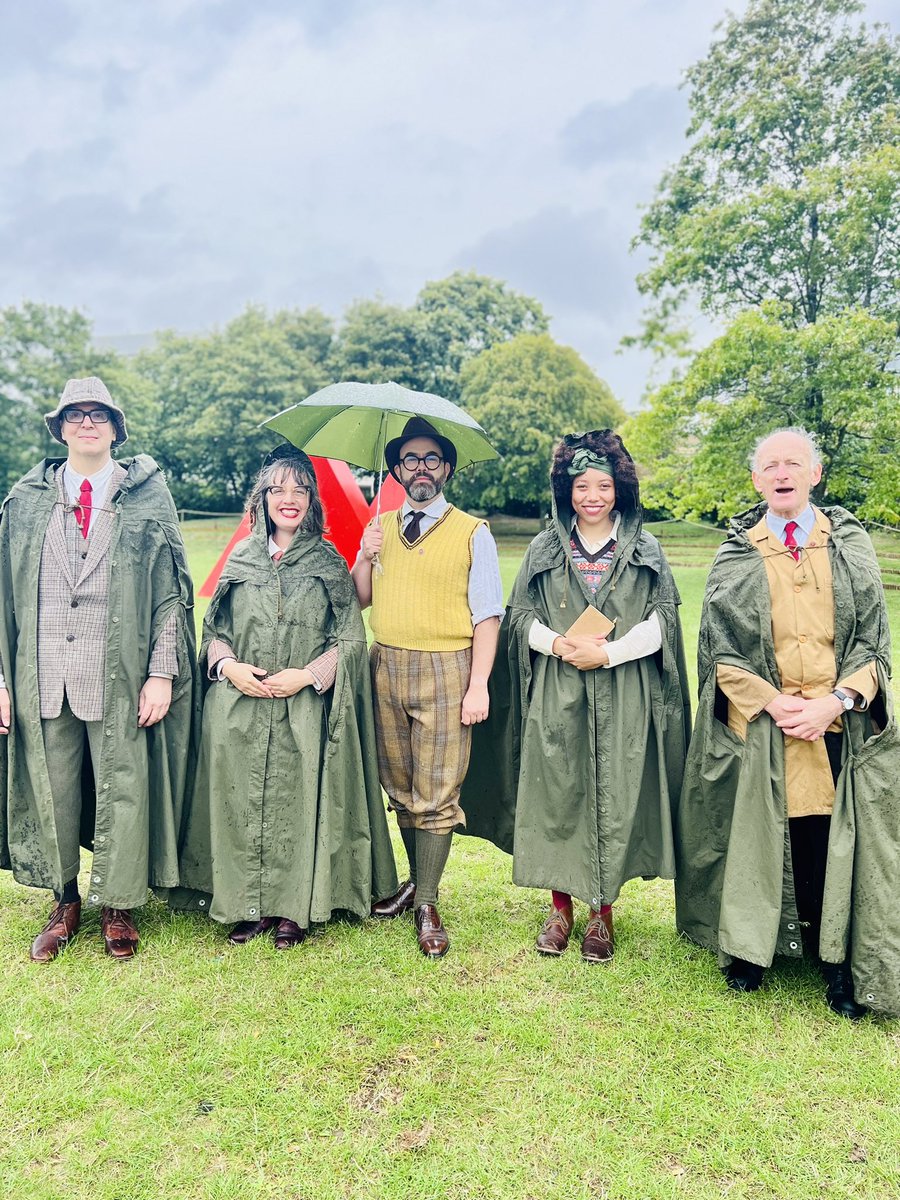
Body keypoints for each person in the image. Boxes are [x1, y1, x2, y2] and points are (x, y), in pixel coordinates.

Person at [676, 427, 899, 1019]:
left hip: (836, 724)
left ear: (814, 474)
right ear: (756, 480)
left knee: (830, 840)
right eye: (771, 465)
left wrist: (837, 701)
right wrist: (773, 703)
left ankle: (836, 962)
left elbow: (873, 644)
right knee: (764, 838)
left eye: (793, 464)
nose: (782, 473)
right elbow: (718, 651)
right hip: (765, 727)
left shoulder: (849, 546)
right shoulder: (738, 552)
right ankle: (755, 948)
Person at [462, 430, 690, 962]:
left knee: (611, 794)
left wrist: (610, 654)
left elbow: (663, 621)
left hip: (622, 692)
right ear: (566, 490)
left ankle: (601, 916)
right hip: (557, 692)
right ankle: (560, 910)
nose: (592, 495)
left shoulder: (645, 549)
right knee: (557, 793)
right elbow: (519, 619)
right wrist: (561, 644)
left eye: (603, 485)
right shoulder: (545, 548)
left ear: (620, 490)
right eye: (581, 485)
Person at [0, 376, 196, 961]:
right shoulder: (26, 499)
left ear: (115, 428)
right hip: (44, 674)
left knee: (124, 789)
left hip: (120, 674)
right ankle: (64, 902)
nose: (88, 423)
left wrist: (161, 671)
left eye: (99, 415)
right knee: (52, 791)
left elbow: (173, 593)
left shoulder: (146, 496)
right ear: (60, 428)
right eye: (76, 415)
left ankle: (118, 903)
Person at [173, 446, 398, 947]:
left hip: (303, 708)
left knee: (295, 805)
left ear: (312, 500)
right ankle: (245, 905)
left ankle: (294, 906)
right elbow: (212, 632)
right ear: (263, 498)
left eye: (299, 490)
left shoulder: (326, 560)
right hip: (241, 707)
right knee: (241, 804)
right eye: (278, 489)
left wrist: (307, 675)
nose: (288, 499)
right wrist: (229, 666)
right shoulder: (240, 558)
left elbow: (350, 638)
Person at [351, 417, 504, 958]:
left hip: (447, 669)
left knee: (438, 790)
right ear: (396, 468)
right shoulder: (381, 527)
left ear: (447, 469)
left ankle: (429, 902)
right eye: (410, 459)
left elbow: (488, 615)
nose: (421, 468)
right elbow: (359, 600)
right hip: (385, 665)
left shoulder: (472, 532)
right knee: (400, 785)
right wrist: (364, 554)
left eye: (431, 459)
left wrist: (478, 685)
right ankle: (417, 882)